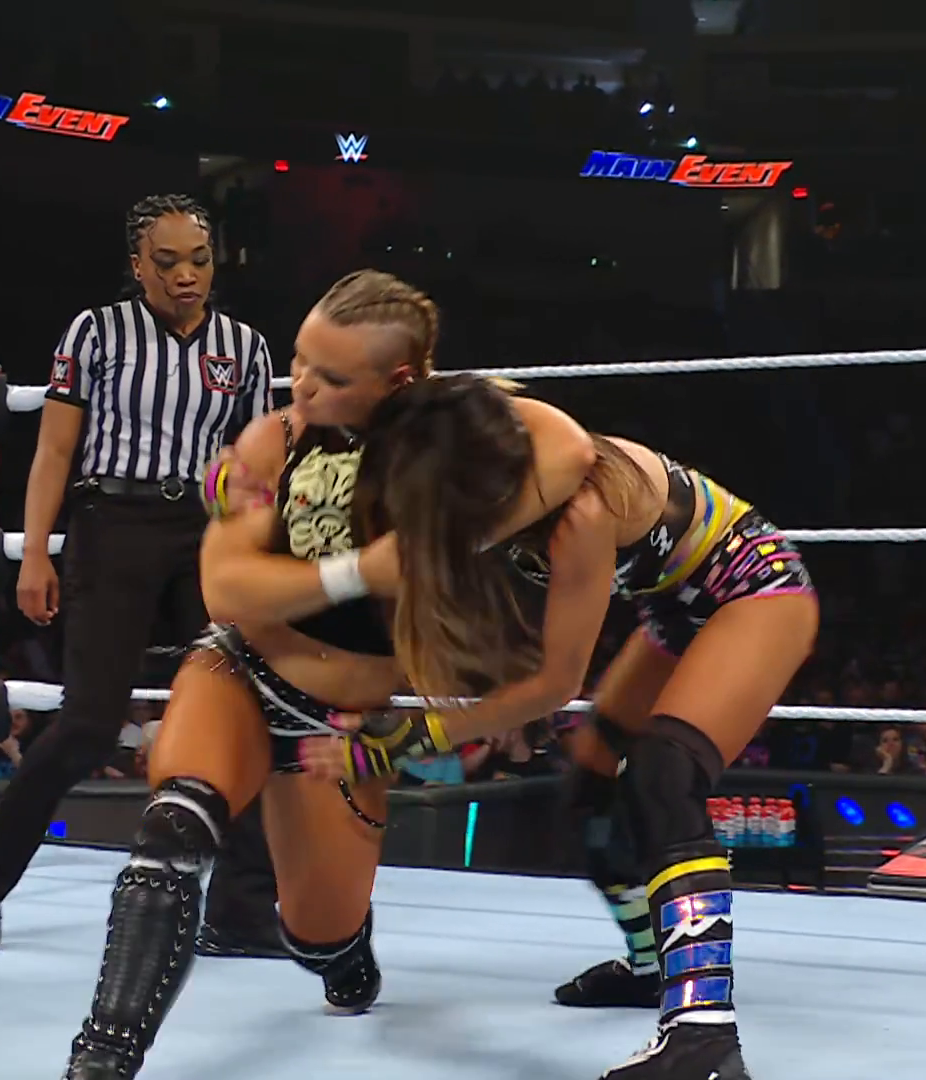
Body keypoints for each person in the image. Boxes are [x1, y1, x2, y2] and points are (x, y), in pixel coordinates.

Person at [61, 272, 598, 1078]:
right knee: (172, 832)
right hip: (242, 667)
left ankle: (344, 953)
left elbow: (570, 449)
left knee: (318, 937)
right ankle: (100, 1060)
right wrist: (361, 572)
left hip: (337, 726)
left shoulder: (455, 442)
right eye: (300, 360)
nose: (303, 385)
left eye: (332, 375)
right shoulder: (272, 442)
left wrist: (449, 535)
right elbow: (227, 588)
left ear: (400, 380)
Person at [306, 373, 819, 1080]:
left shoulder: (578, 510)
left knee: (663, 775)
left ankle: (704, 1034)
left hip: (757, 590)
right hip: (672, 609)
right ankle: (651, 966)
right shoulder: (490, 465)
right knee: (591, 780)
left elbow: (554, 684)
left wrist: (416, 737)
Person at [0, 194, 277, 954]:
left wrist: (260, 553)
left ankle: (241, 910)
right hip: (114, 524)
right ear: (138, 265)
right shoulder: (96, 332)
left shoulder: (246, 347)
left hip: (205, 533)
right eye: (167, 262)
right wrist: (36, 551)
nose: (186, 275)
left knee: (243, 712)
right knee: (91, 723)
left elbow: (261, 464)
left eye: (199, 260)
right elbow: (55, 450)